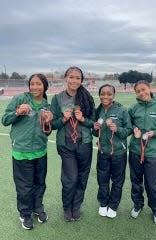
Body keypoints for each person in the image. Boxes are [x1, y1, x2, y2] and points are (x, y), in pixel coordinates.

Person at [1, 74, 53, 230]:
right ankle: (25, 213)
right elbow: (4, 120)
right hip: (21, 152)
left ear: (44, 86)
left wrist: (48, 121)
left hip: (40, 151)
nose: (35, 87)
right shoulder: (19, 99)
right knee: (24, 186)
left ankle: (37, 208)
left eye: (39, 84)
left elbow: (47, 132)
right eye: (32, 84)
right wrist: (17, 112)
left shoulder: (46, 104)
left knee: (39, 183)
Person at [50, 66, 95, 221]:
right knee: (70, 179)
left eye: (78, 78)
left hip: (85, 144)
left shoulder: (87, 97)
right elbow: (53, 125)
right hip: (66, 144)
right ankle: (66, 207)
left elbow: (93, 123)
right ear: (65, 78)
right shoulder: (57, 98)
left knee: (82, 177)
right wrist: (63, 119)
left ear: (81, 80)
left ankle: (76, 207)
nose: (74, 80)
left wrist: (83, 119)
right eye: (71, 77)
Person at [128, 80, 156, 224]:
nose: (142, 93)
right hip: (135, 151)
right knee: (136, 181)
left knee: (152, 185)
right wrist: (134, 130)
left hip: (153, 153)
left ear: (149, 88)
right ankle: (137, 205)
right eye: (138, 91)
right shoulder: (133, 109)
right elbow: (128, 124)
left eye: (143, 89)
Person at [93, 84, 132, 218]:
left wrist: (118, 129)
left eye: (109, 94)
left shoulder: (122, 110)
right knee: (102, 179)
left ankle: (113, 205)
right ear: (99, 95)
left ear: (114, 95)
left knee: (117, 181)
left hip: (119, 153)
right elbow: (94, 132)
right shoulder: (97, 110)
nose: (106, 96)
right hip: (103, 152)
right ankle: (103, 203)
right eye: (103, 93)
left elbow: (129, 130)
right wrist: (95, 127)